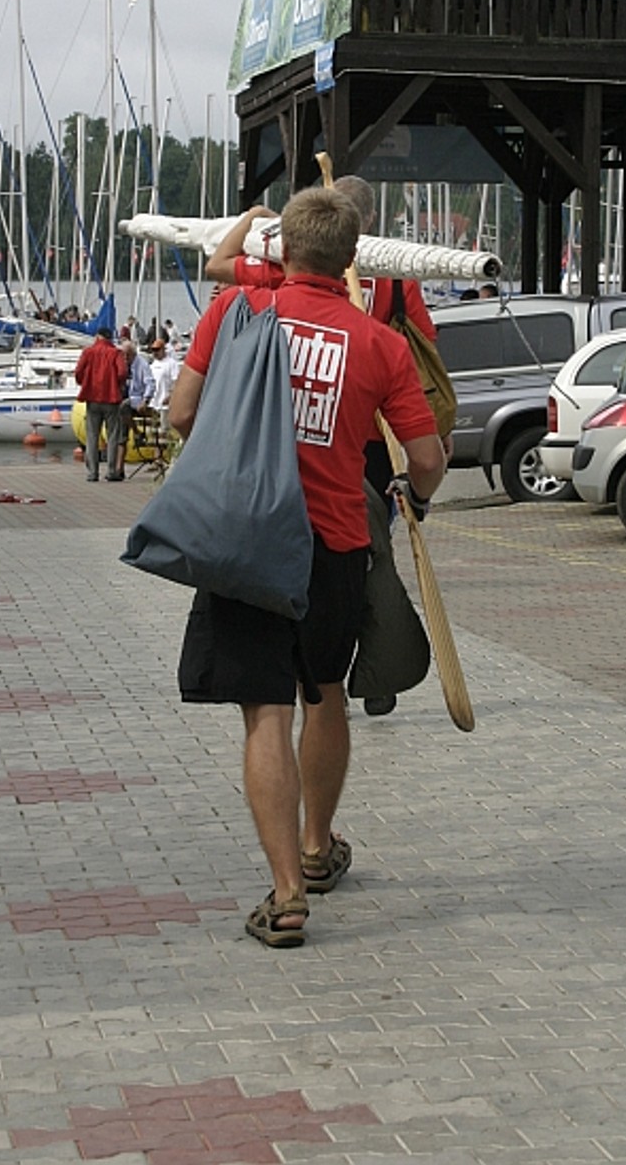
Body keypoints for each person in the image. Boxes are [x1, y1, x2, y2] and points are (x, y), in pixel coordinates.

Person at [169, 187, 445, 949]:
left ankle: (287, 895)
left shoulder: (235, 313)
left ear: (282, 250)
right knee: (324, 694)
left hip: (248, 540)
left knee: (265, 710)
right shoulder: (379, 343)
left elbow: (182, 415)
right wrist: (406, 497)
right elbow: (426, 460)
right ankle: (320, 849)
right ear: (353, 258)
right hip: (336, 544)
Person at [207, 176, 450, 716]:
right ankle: (368, 659)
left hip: (270, 474)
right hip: (364, 449)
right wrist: (426, 465)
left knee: (265, 703)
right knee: (369, 564)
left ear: (291, 244)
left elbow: (218, 265)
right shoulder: (393, 284)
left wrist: (254, 218)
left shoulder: (267, 282)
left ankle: (345, 659)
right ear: (358, 237)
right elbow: (425, 347)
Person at [74, 326, 128, 482]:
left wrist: (84, 383)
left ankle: (92, 472)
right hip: (111, 397)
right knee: (112, 436)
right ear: (110, 337)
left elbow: (78, 372)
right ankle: (111, 471)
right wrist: (117, 384)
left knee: (92, 436)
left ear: (98, 336)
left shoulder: (88, 352)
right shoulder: (116, 353)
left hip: (92, 397)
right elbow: (122, 372)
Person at [112, 340, 155, 477]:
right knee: (121, 430)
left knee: (124, 406)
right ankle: (119, 469)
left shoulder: (142, 364)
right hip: (124, 402)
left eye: (126, 355)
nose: (124, 358)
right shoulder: (122, 364)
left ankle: (136, 432)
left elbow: (150, 383)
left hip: (138, 399)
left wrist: (146, 399)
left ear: (132, 354)